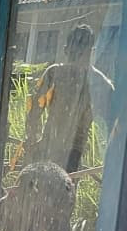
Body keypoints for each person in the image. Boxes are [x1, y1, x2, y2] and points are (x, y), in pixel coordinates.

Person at [24, 24, 115, 174]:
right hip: (57, 152)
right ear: (92, 51)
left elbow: (33, 113)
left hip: (65, 153)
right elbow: (33, 110)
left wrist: (32, 139)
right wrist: (32, 140)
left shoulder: (58, 74)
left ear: (66, 49)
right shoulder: (97, 82)